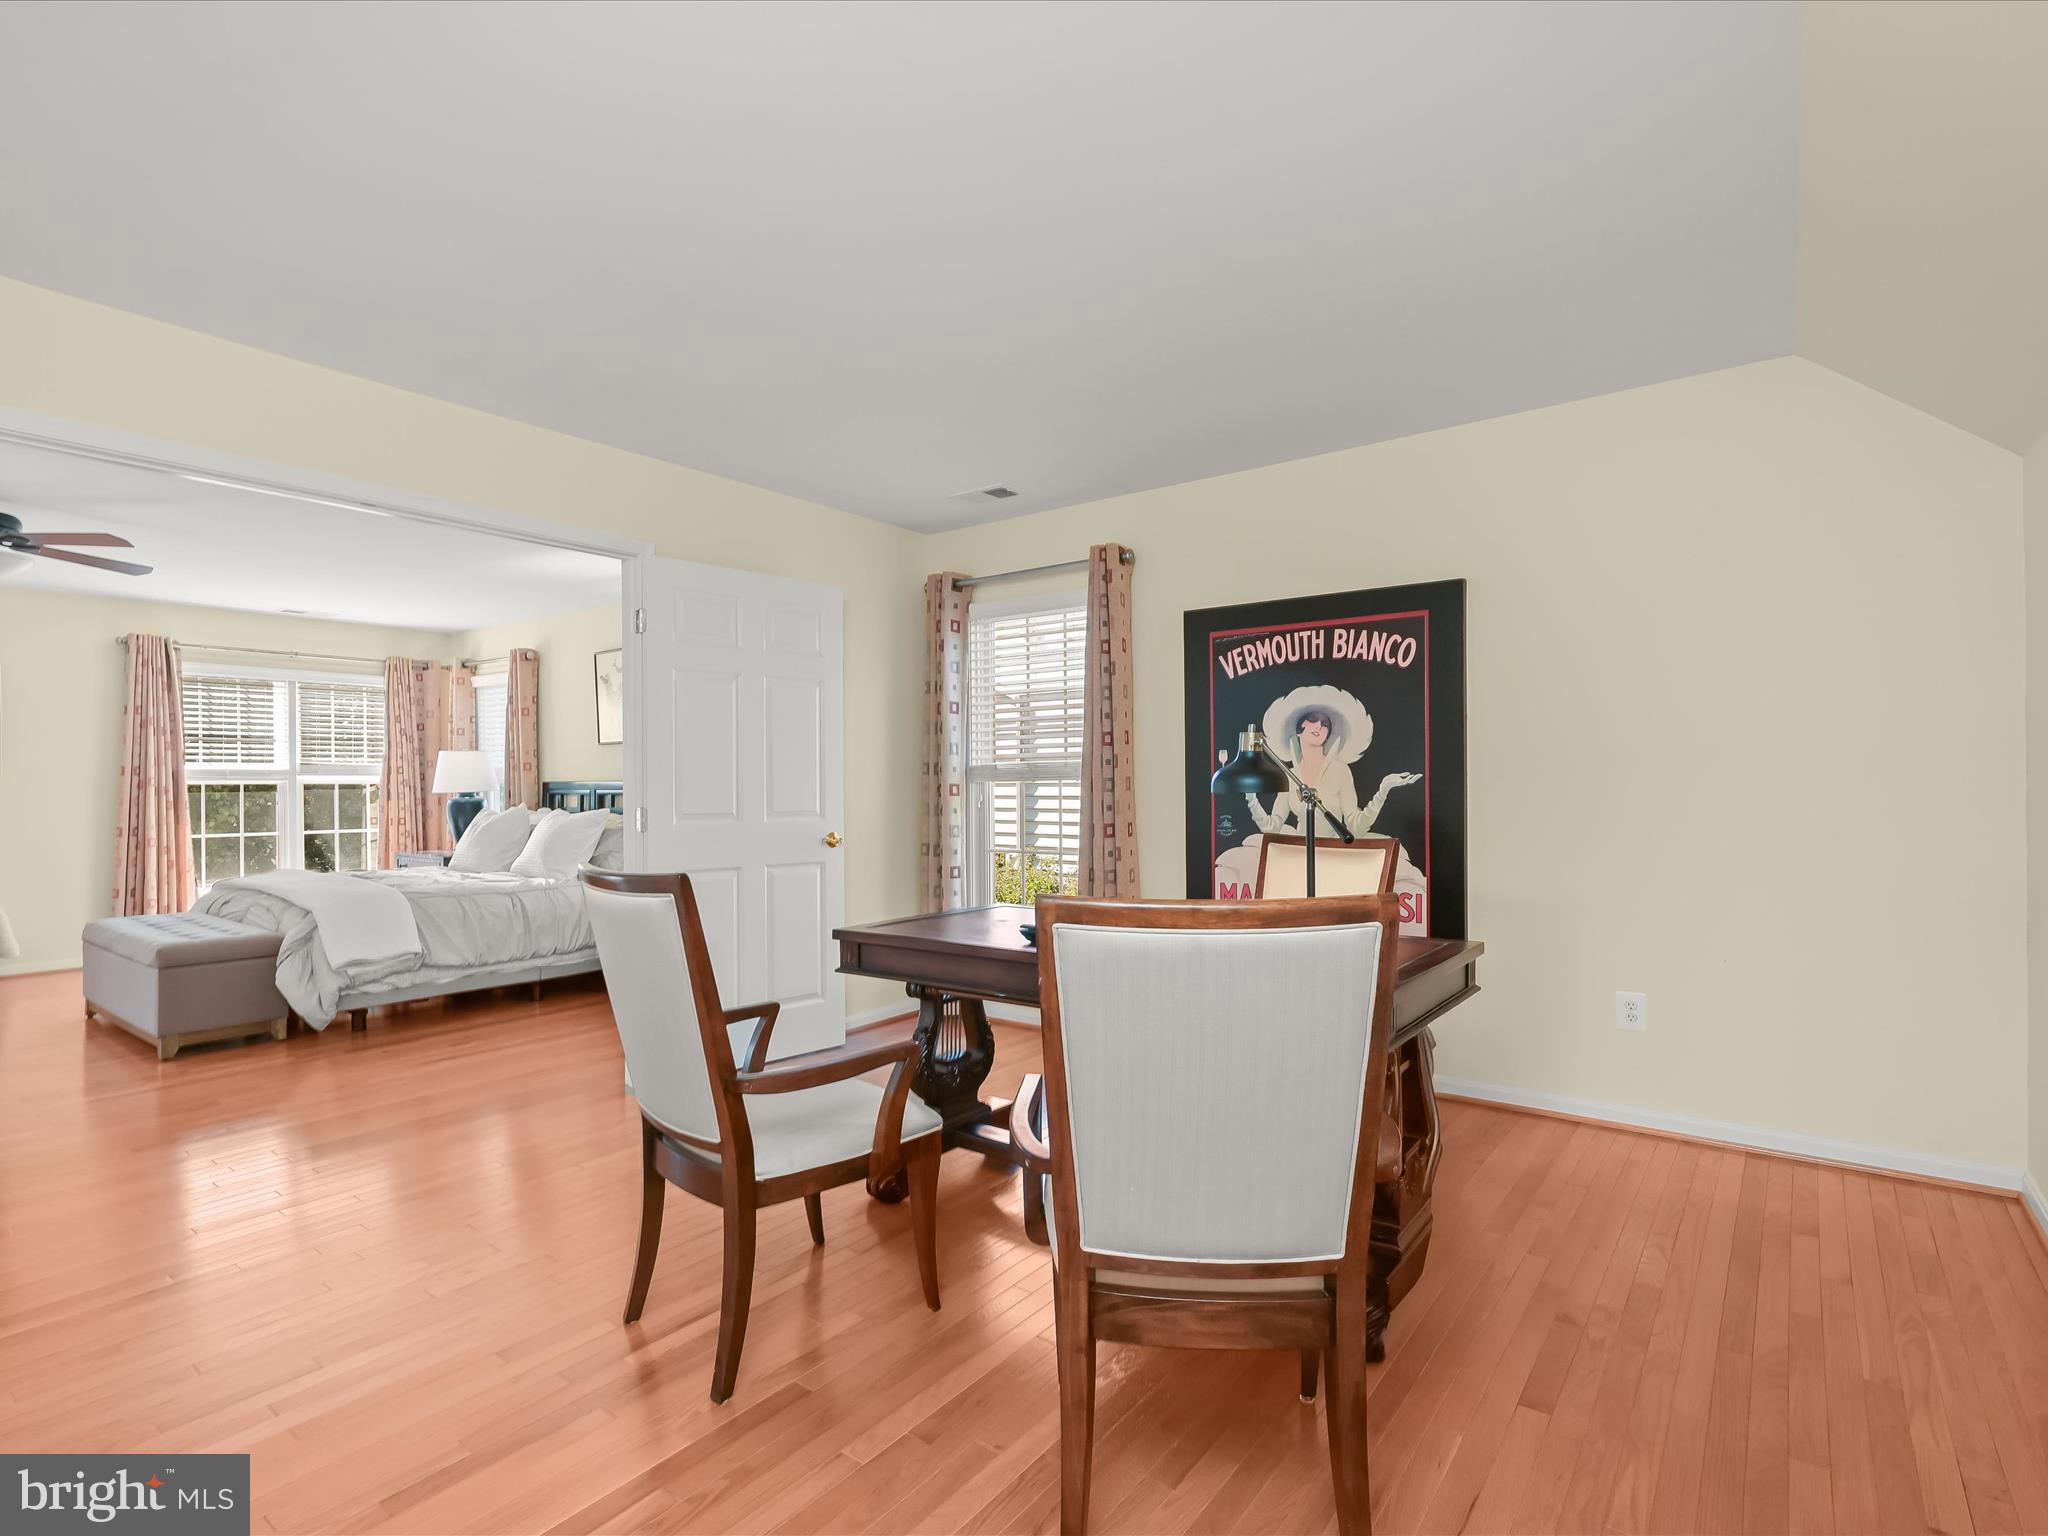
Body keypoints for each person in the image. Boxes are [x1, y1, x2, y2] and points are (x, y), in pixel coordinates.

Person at [1242, 685, 1420, 841]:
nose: (1318, 726)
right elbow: (1271, 827)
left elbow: (1355, 827)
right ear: (1298, 729)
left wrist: (1383, 791)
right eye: (1312, 720)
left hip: (1333, 853)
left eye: (1325, 723)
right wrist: (1251, 798)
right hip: (1298, 854)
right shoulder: (1290, 775)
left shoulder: (1341, 771)